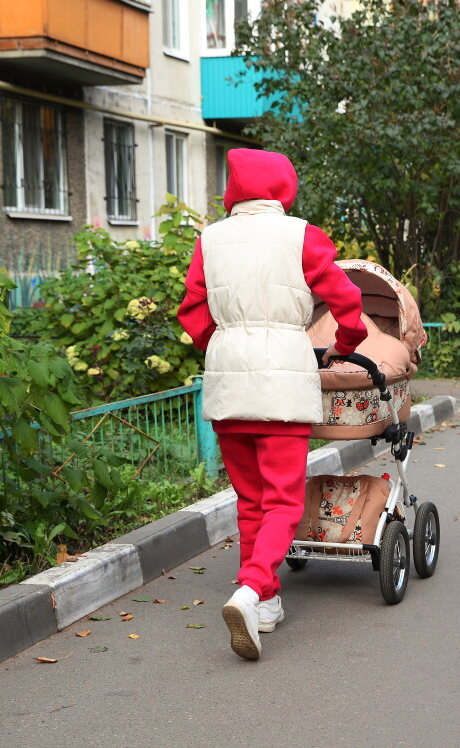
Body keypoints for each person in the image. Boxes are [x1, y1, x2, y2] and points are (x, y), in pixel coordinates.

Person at [177, 148, 366, 661]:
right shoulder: (301, 235)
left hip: (228, 379)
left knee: (251, 502)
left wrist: (224, 341)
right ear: (284, 187)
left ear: (234, 189)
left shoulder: (210, 239)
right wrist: (344, 347)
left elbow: (192, 310)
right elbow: (348, 304)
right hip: (283, 374)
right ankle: (250, 587)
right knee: (284, 500)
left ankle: (265, 602)